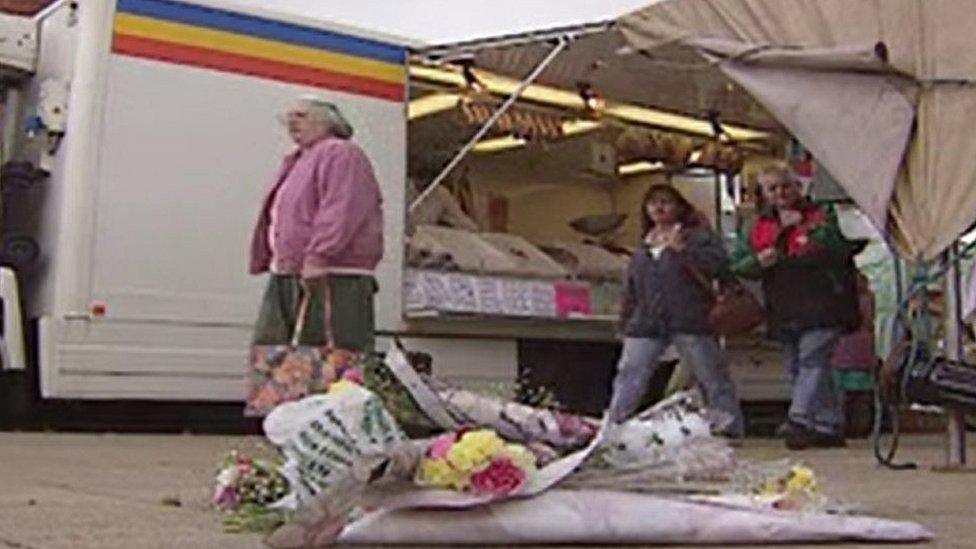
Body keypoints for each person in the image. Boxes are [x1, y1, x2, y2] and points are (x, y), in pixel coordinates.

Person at [731, 162, 859, 450]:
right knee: (795, 366)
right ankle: (828, 424)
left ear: (798, 187)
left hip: (825, 301)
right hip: (784, 304)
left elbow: (843, 246)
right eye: (773, 188)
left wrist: (808, 231)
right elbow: (738, 263)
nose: (780, 193)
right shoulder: (755, 226)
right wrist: (758, 261)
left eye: (786, 186)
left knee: (811, 359)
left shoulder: (822, 215)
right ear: (764, 193)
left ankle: (799, 419)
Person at [248, 95, 383, 353]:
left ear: (327, 121)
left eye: (301, 115)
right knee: (273, 347)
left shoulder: (341, 153)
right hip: (291, 270)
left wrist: (319, 255)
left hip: (332, 272)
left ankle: (328, 394)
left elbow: (342, 208)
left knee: (328, 352)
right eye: (288, 117)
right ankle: (280, 394)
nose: (291, 122)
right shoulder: (298, 159)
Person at [609, 184, 745, 437]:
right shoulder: (643, 245)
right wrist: (625, 320)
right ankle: (613, 427)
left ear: (679, 207)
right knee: (629, 374)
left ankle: (728, 427)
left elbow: (720, 267)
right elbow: (632, 288)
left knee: (711, 376)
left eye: (665, 202)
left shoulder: (698, 237)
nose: (659, 208)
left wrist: (684, 250)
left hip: (691, 318)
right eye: (653, 203)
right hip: (647, 321)